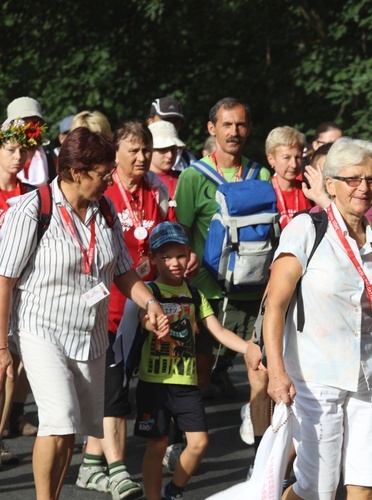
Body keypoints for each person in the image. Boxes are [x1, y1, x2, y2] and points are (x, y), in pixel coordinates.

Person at [0, 127, 169, 500]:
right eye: (104, 172)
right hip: (40, 329)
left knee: (72, 430)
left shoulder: (104, 210)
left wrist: (151, 304)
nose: (111, 179)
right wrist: (1, 347)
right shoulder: (33, 210)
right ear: (77, 172)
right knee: (58, 422)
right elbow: (4, 281)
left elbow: (123, 271)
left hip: (89, 335)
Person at [263, 137, 372, 499]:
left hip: (371, 379)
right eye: (353, 179)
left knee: (367, 485)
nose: (364, 188)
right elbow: (275, 305)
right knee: (317, 489)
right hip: (317, 380)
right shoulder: (306, 230)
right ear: (330, 184)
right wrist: (276, 371)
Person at [77, 119, 171, 499]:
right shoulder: (102, 191)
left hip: (142, 303)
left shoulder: (158, 189)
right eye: (133, 149)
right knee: (113, 392)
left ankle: (89, 464)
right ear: (114, 153)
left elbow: (161, 237)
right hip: (106, 304)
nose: (142, 156)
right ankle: (117, 473)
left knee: (119, 384)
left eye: (146, 149)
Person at [173, 97, 267, 469]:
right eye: (227, 125)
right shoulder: (194, 176)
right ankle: (181, 440)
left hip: (250, 292)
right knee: (199, 374)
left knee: (257, 370)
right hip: (206, 292)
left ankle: (262, 456)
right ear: (212, 129)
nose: (235, 132)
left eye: (241, 125)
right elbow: (178, 233)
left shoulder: (259, 174)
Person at [134, 221, 258, 500]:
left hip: (186, 383)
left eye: (179, 255)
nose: (174, 263)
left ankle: (174, 490)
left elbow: (219, 331)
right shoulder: (149, 292)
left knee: (199, 442)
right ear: (153, 258)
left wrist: (249, 348)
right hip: (154, 383)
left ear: (189, 253)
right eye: (165, 257)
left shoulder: (194, 294)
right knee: (157, 445)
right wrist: (152, 324)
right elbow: (144, 320)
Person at [0, 118, 45, 467]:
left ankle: (0, 435)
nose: (19, 157)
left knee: (13, 367)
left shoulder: (31, 194)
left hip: (19, 290)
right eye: (11, 149)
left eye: (24, 150)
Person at [265, 126, 312, 229]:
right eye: (286, 157)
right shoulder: (264, 193)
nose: (294, 165)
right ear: (271, 159)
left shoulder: (308, 192)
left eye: (298, 157)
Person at [6, 97, 52, 186]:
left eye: (34, 123)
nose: (30, 128)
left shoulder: (52, 162)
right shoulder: (3, 163)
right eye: (23, 123)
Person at [147, 97, 196, 172]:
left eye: (176, 120)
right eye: (166, 119)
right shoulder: (138, 157)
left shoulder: (188, 160)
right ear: (150, 121)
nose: (172, 124)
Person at [148, 120, 185, 199]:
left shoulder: (185, 179)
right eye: (163, 149)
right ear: (149, 150)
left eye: (174, 149)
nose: (170, 155)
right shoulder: (139, 181)